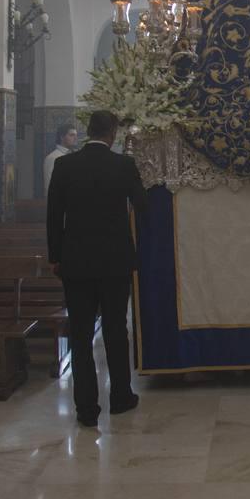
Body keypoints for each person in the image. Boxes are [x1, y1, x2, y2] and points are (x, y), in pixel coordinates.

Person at [47, 110, 149, 428]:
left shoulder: (65, 166)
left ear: (88, 131)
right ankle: (120, 397)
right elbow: (142, 207)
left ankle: (86, 408)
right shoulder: (124, 165)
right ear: (113, 134)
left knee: (80, 336)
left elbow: (53, 217)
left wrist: (56, 257)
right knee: (117, 331)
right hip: (116, 262)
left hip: (75, 262)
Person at [42, 123, 80, 195]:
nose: (75, 138)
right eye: (71, 135)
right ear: (62, 137)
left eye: (76, 135)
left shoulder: (75, 156)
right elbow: (49, 187)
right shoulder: (52, 158)